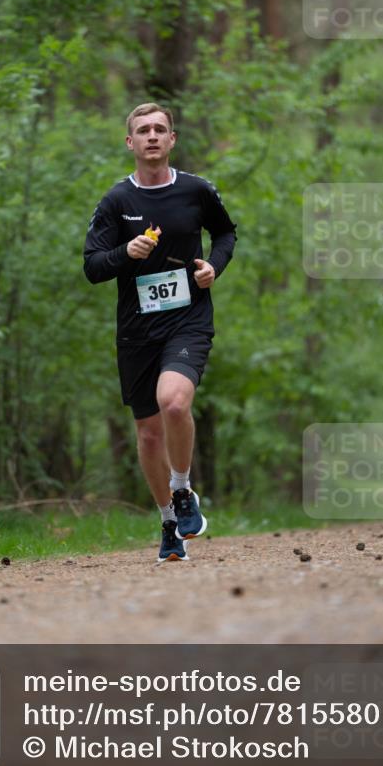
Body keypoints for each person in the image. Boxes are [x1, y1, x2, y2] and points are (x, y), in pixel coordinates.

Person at [83, 102, 237, 561]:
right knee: (149, 435)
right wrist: (125, 253)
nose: (152, 136)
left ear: (172, 139)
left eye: (159, 129)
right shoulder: (116, 201)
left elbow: (226, 234)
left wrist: (214, 266)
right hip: (137, 330)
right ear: (130, 142)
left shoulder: (196, 190)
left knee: (174, 402)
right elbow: (92, 266)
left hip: (188, 319)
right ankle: (169, 521)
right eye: (143, 130)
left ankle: (183, 490)